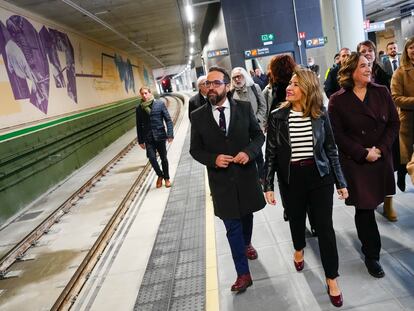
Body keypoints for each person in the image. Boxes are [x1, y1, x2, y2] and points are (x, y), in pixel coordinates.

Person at [264, 67, 348, 308]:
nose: (289, 87)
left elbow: (331, 149)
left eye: (296, 84)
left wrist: (341, 181)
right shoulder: (278, 116)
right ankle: (299, 248)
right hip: (291, 177)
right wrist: (268, 184)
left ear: (308, 89)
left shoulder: (321, 114)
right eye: (290, 83)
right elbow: (271, 153)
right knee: (297, 220)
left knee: (325, 228)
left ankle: (332, 278)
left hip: (320, 176)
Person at [190, 66, 266, 293]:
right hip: (221, 182)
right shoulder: (198, 116)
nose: (210, 87)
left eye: (215, 83)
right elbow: (195, 150)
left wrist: (249, 152)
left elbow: (258, 135)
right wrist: (213, 159)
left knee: (247, 215)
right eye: (207, 84)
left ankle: (247, 242)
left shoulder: (243, 109)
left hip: (245, 176)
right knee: (232, 226)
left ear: (227, 86)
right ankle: (243, 274)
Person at [328, 52, 399, 279]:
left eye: (369, 65)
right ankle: (372, 255)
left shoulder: (381, 92)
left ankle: (371, 251)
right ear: (350, 72)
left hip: (379, 158)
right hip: (356, 162)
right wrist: (361, 152)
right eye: (362, 66)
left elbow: (393, 123)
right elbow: (336, 134)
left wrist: (380, 149)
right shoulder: (337, 100)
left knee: (376, 201)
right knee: (365, 208)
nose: (368, 69)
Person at [357, 40, 398, 221]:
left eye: (370, 50)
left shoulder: (382, 73)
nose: (367, 53)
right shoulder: (354, 75)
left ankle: (388, 203)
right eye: (363, 51)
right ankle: (372, 199)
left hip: (382, 128)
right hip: (363, 134)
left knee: (388, 169)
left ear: (375, 53)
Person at [231, 67, 267, 182]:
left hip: (256, 127)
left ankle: (262, 176)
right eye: (234, 77)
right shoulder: (230, 93)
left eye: (239, 76)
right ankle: (251, 177)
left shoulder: (254, 88)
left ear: (244, 76)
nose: (237, 79)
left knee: (258, 152)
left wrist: (257, 120)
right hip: (241, 131)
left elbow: (263, 106)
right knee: (245, 152)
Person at [136, 87, 174, 188]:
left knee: (164, 158)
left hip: (160, 135)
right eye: (142, 94)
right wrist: (140, 141)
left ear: (149, 93)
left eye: (145, 93)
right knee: (152, 158)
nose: (144, 95)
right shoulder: (139, 109)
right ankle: (160, 175)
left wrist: (170, 134)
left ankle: (167, 178)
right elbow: (139, 125)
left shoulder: (159, 104)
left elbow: (168, 120)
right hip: (148, 138)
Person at [391, 37, 414, 191]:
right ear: (406, 50)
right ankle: (401, 173)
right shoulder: (400, 72)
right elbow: (396, 98)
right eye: (411, 47)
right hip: (408, 119)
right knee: (406, 155)